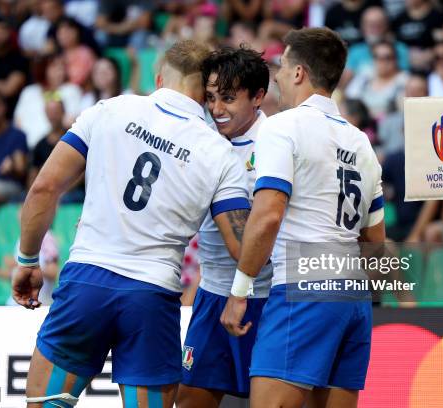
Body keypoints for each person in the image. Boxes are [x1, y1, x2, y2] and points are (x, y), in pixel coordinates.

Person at [12, 40, 252, 408]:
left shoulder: (109, 110)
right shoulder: (218, 152)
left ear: (159, 77)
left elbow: (44, 188)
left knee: (46, 404)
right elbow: (242, 246)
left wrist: (28, 261)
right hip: (151, 298)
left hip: (87, 283)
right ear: (205, 92)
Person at [220, 27, 385, 408]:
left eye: (281, 65)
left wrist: (240, 291)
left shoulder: (283, 126)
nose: (276, 74)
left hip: (304, 289)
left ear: (299, 74)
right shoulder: (361, 142)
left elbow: (267, 216)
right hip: (353, 300)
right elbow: (375, 244)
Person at [177, 46, 272, 407]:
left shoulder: (275, 143)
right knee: (188, 400)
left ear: (258, 97)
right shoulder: (201, 143)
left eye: (229, 99)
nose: (217, 109)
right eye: (211, 97)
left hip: (263, 298)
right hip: (212, 294)